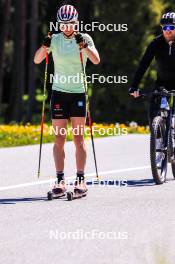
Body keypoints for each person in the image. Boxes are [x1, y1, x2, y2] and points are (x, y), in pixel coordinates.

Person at [34, 5, 100, 194]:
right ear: (59, 24)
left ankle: (80, 179)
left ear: (76, 22)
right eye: (63, 24)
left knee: (79, 138)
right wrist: (45, 46)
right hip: (59, 93)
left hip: (78, 93)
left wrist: (84, 46)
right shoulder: (54, 39)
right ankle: (60, 180)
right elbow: (37, 60)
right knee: (59, 138)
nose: (67, 27)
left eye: (70, 23)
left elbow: (96, 60)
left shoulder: (85, 38)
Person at [129, 12, 175, 167]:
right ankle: (159, 146)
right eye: (164, 27)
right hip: (162, 83)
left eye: (171, 27)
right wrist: (134, 86)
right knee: (153, 112)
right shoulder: (156, 43)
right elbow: (144, 65)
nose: (167, 30)